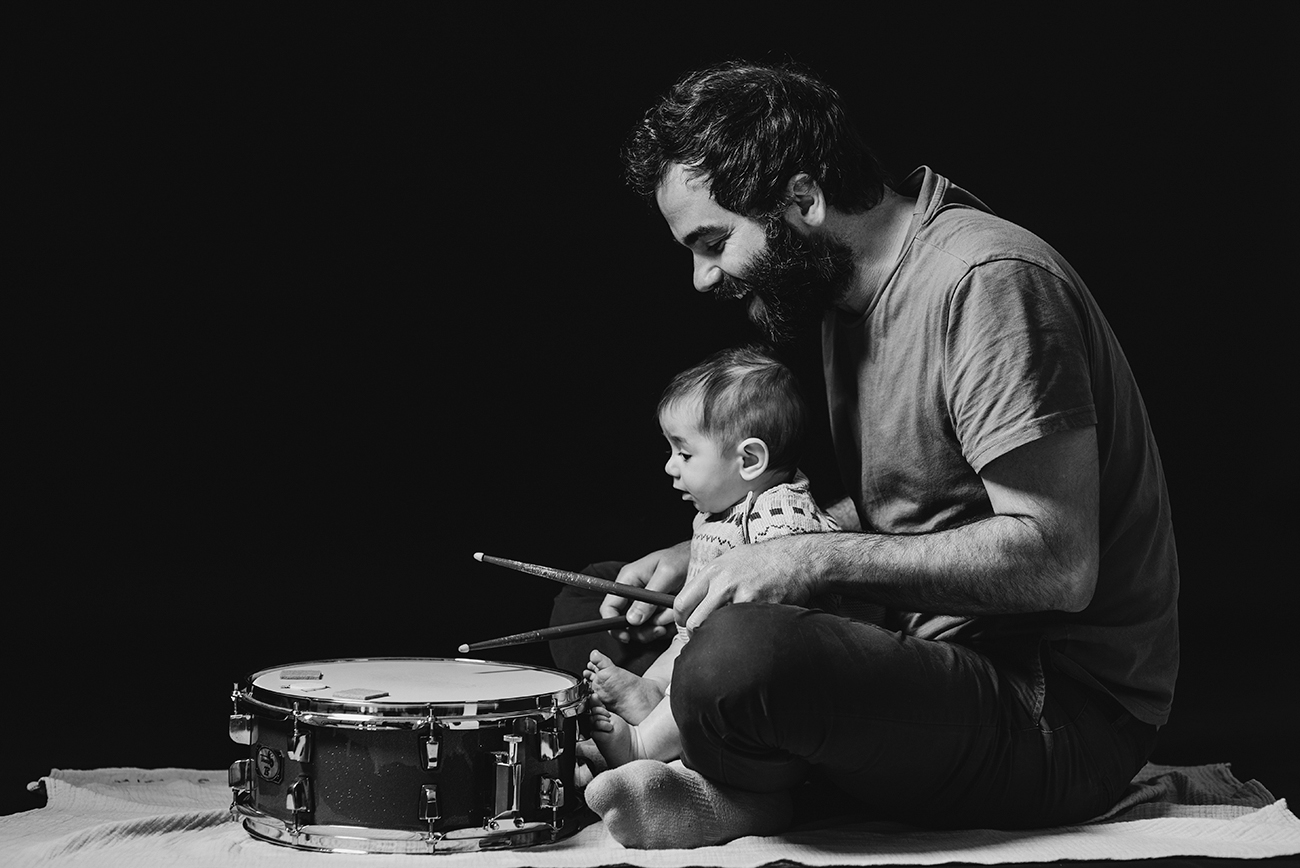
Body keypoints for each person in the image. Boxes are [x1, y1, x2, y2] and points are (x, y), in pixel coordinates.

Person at [562, 59, 1179, 849]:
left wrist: (806, 561)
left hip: (1055, 710)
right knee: (593, 606)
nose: (700, 277)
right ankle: (721, 764)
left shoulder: (984, 283)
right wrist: (712, 551)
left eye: (713, 241)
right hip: (925, 652)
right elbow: (911, 507)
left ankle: (746, 793)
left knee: (735, 659)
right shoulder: (839, 294)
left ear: (803, 199)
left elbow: (1059, 563)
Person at [585, 345, 881, 769]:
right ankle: (649, 697)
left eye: (684, 454)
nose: (671, 467)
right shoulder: (726, 506)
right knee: (676, 645)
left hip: (781, 666)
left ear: (749, 460)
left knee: (704, 667)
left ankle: (644, 747)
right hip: (703, 636)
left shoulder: (783, 522)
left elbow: (767, 635)